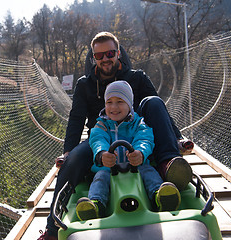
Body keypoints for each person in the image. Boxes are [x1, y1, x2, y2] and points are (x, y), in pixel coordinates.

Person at [38, 31, 192, 240]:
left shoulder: (136, 78)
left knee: (153, 102)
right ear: (93, 58)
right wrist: (67, 152)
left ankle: (168, 163)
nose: (105, 59)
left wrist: (177, 137)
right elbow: (76, 119)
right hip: (102, 138)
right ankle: (53, 229)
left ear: (118, 53)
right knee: (72, 161)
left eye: (109, 53)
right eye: (99, 56)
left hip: (137, 134)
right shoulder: (85, 84)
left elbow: (159, 110)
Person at [75, 81, 180, 221]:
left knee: (149, 171)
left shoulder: (138, 123)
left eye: (120, 101)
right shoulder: (102, 124)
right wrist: (102, 154)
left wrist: (140, 152)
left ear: (129, 104)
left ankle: (159, 196)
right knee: (100, 177)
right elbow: (97, 139)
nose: (114, 107)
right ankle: (96, 204)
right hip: (109, 168)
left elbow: (145, 138)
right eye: (109, 102)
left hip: (136, 166)